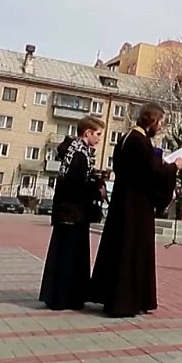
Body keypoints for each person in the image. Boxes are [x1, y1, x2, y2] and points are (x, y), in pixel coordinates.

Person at [89, 103, 182, 318]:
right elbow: (151, 173)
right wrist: (173, 167)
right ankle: (125, 302)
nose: (160, 127)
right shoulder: (140, 141)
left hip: (124, 202)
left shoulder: (126, 138)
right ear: (151, 120)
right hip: (136, 207)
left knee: (120, 249)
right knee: (131, 251)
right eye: (160, 122)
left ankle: (118, 297)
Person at [39, 117, 107, 311]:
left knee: (64, 255)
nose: (99, 139)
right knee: (70, 257)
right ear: (87, 133)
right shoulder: (79, 154)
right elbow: (76, 186)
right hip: (73, 213)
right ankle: (65, 297)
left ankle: (60, 296)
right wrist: (96, 190)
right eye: (98, 134)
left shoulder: (74, 151)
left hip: (68, 213)